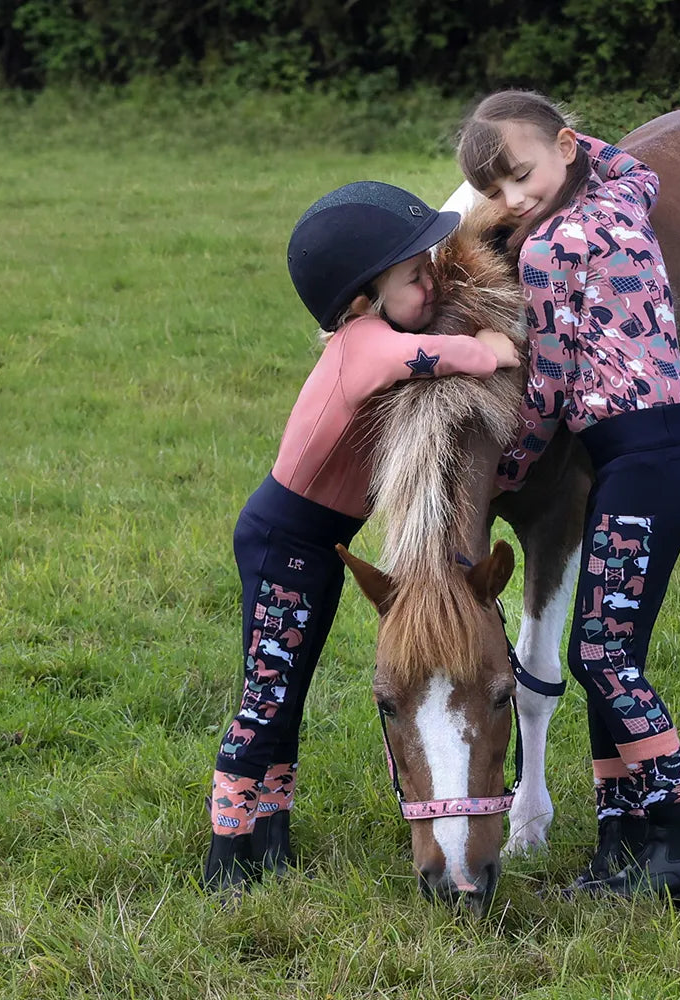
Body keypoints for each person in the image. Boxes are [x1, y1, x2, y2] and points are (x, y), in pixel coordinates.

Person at [203, 181, 520, 896]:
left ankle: (273, 836)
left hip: (317, 546)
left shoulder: (375, 330)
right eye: (414, 277)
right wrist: (491, 345)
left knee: (293, 688)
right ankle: (226, 849)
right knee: (267, 697)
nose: (429, 280)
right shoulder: (365, 343)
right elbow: (442, 360)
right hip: (285, 539)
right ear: (361, 297)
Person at [457, 90, 680, 902]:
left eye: (523, 175)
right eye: (497, 192)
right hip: (675, 457)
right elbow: (629, 162)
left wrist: (504, 474)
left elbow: (551, 391)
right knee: (614, 653)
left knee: (599, 655)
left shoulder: (543, 252)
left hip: (638, 459)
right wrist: (572, 150)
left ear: (565, 148)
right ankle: (620, 844)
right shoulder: (625, 194)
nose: (513, 201)